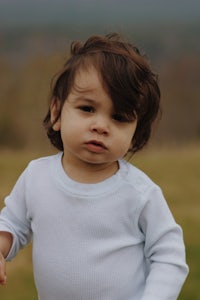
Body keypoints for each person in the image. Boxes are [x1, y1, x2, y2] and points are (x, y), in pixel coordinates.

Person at [0, 33, 188, 300]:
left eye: (119, 117)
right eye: (87, 108)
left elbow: (169, 254)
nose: (101, 125)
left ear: (135, 134)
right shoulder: (37, 177)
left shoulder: (139, 193)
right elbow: (13, 223)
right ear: (57, 112)